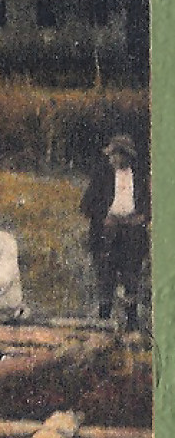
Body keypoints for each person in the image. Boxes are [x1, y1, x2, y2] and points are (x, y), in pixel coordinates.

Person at [81, 133, 150, 327]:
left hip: (132, 233)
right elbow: (86, 205)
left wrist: (141, 218)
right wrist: (104, 217)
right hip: (107, 233)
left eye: (116, 155)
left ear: (126, 156)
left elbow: (149, 206)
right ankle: (104, 321)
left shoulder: (139, 177)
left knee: (131, 276)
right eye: (110, 155)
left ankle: (132, 322)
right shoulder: (102, 176)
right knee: (106, 275)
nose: (112, 159)